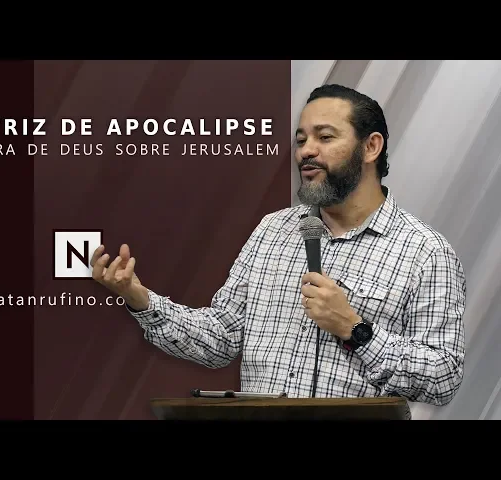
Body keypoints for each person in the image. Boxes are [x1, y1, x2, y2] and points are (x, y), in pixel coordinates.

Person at [90, 84, 466, 407]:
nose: (306, 151)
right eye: (301, 140)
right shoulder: (273, 230)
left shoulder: (425, 252)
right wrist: (141, 299)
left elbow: (443, 378)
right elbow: (221, 337)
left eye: (325, 137)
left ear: (371, 147)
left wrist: (355, 330)